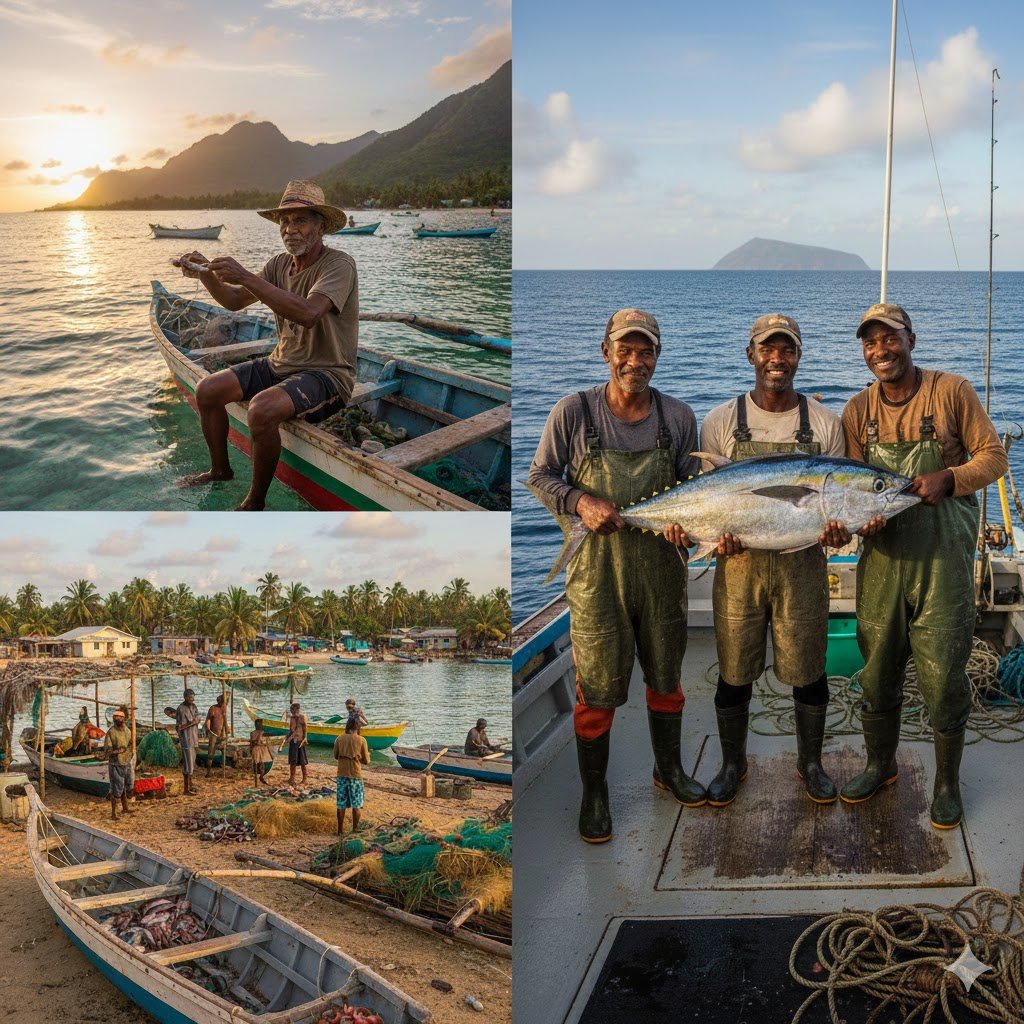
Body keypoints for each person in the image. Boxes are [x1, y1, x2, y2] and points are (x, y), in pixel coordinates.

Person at [821, 303, 1007, 829]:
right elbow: (851, 491)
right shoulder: (857, 411)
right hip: (882, 560)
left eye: (891, 339)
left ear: (911, 339)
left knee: (945, 675)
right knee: (877, 671)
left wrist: (949, 478)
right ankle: (880, 765)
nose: (881, 351)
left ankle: (947, 783)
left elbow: (994, 457)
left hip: (943, 561)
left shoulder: (951, 392)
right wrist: (847, 526)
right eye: (870, 343)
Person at [527, 308, 704, 843]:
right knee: (597, 689)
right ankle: (595, 793)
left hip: (662, 574)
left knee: (667, 678)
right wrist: (580, 502)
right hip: (596, 577)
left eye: (645, 350)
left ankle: (668, 769)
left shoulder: (677, 418)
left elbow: (694, 498)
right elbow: (539, 476)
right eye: (624, 349)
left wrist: (688, 531)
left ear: (657, 355)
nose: (635, 360)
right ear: (605, 352)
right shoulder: (573, 412)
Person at [696, 313, 846, 807]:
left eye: (787, 350)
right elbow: (708, 502)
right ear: (751, 355)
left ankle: (811, 763)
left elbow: (836, 506)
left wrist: (837, 533)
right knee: (734, 670)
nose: (777, 359)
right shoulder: (720, 421)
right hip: (737, 566)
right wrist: (706, 536)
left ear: (799, 357)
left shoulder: (825, 423)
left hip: (803, 565)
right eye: (768, 349)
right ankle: (733, 763)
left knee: (809, 670)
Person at [177, 179, 358, 510]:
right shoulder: (277, 266)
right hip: (281, 363)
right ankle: (220, 470)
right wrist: (206, 274)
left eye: (300, 220)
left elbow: (309, 314)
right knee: (207, 391)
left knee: (261, 410)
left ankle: (255, 502)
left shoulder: (339, 264)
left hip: (328, 374)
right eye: (285, 222)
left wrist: (246, 276)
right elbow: (233, 302)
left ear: (320, 226)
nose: (290, 229)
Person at [332, 719, 370, 833]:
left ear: (347, 727)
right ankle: (355, 829)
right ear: (358, 728)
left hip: (342, 774)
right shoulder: (361, 740)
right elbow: (367, 760)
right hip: (355, 774)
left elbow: (335, 755)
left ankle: (340, 830)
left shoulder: (339, 738)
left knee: (341, 803)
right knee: (356, 804)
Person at [104, 707, 135, 821]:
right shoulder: (111, 732)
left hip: (126, 762)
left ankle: (125, 808)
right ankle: (113, 813)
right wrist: (117, 751)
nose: (118, 719)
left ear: (124, 718)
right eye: (115, 717)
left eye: (120, 717)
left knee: (127, 786)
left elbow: (131, 744)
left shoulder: (127, 731)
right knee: (116, 789)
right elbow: (107, 750)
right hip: (115, 764)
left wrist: (130, 754)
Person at [175, 689, 201, 795]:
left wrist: (196, 721)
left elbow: (197, 718)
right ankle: (186, 789)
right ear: (185, 697)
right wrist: (192, 723)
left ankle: (190, 785)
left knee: (191, 764)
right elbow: (179, 727)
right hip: (186, 739)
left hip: (193, 738)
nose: (192, 699)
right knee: (188, 765)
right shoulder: (181, 709)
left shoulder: (194, 707)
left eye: (193, 697)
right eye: (190, 697)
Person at [204, 694, 229, 777]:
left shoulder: (224, 708)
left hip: (222, 735)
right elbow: (208, 720)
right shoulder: (213, 708)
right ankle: (208, 772)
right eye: (224, 702)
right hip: (214, 734)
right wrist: (208, 728)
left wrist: (227, 728)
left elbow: (224, 720)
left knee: (224, 752)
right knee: (211, 754)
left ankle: (223, 771)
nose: (226, 704)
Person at [286, 702, 309, 786]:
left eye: (292, 709)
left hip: (300, 741)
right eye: (291, 709)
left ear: (297, 709)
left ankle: (304, 779)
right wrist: (286, 738)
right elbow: (291, 730)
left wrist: (305, 738)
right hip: (293, 741)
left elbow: (305, 728)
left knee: (302, 761)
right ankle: (292, 778)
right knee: (292, 761)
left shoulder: (302, 717)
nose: (291, 711)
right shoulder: (292, 718)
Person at [249, 719, 273, 787]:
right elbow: (251, 742)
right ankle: (258, 778)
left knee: (262, 763)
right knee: (257, 763)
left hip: (262, 748)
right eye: (258, 724)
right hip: (257, 748)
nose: (259, 725)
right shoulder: (256, 733)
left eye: (260, 724)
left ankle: (261, 777)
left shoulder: (260, 732)